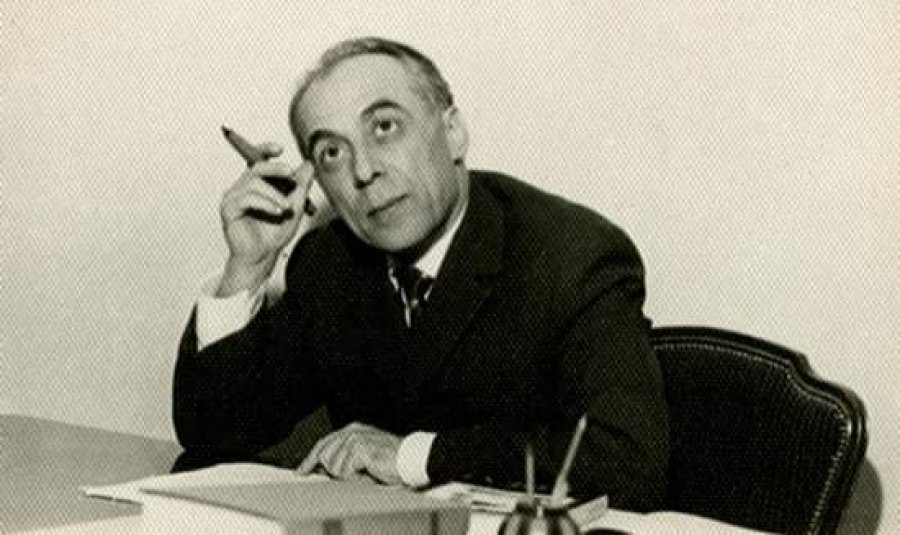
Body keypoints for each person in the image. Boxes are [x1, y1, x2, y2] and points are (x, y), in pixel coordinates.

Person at [174, 37, 669, 511]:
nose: (363, 170)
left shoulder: (571, 255)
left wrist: (411, 456)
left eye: (384, 127)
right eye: (332, 153)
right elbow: (212, 434)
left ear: (453, 133)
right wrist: (248, 266)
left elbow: (628, 458)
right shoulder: (331, 263)